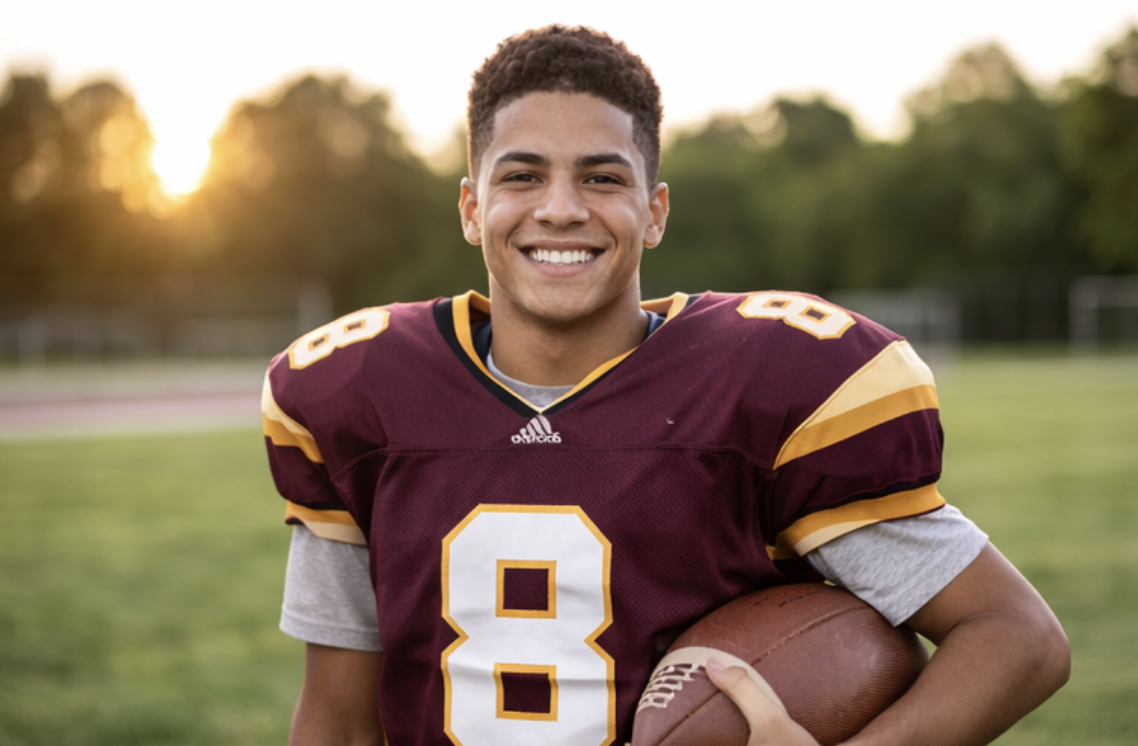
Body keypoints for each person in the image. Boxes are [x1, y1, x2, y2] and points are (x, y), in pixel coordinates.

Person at [262, 25, 1069, 746]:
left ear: (655, 211)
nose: (562, 208)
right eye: (522, 176)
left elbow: (1017, 638)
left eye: (604, 179)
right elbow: (336, 717)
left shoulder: (768, 389)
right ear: (472, 207)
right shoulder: (356, 397)